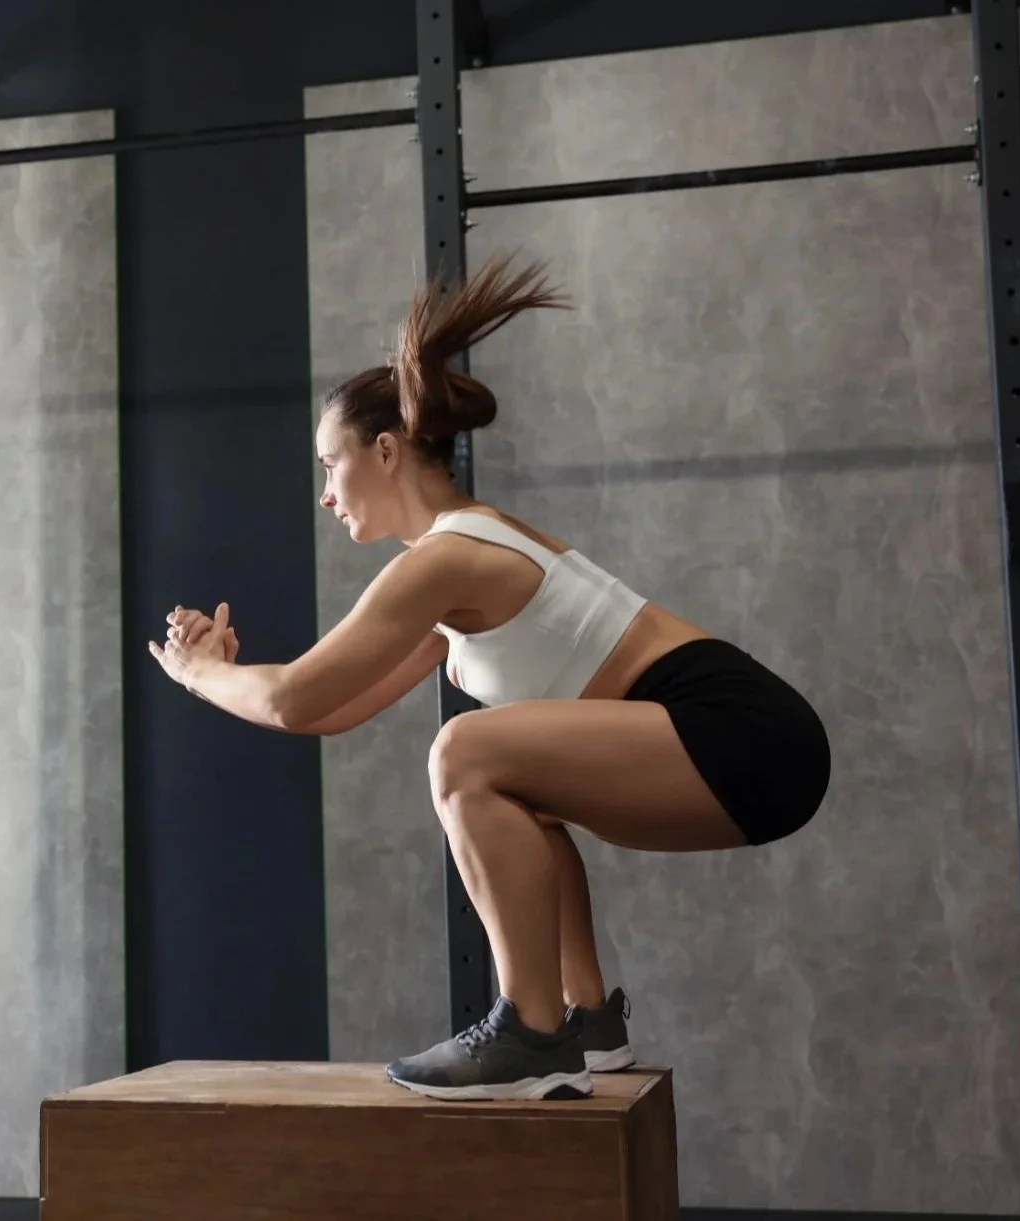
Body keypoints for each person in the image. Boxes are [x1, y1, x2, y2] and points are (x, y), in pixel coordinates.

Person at [147, 253, 831, 1103]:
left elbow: (294, 698)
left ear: (388, 450)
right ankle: (587, 1023)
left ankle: (527, 1030)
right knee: (508, 785)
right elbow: (328, 710)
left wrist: (198, 673)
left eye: (331, 465)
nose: (325, 494)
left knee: (465, 752)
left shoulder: (450, 559)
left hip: (743, 732)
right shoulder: (454, 571)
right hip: (751, 743)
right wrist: (221, 671)